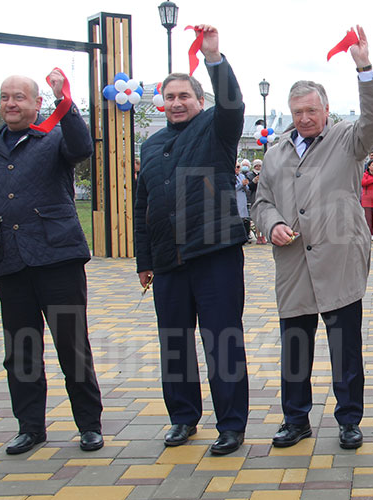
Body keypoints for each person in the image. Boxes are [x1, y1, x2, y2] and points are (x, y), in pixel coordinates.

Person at [252, 25, 373, 450]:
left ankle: (349, 419)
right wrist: (271, 223)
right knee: (295, 348)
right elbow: (261, 201)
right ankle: (296, 420)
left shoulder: (349, 138)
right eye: (298, 112)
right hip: (292, 264)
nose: (305, 118)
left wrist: (364, 67)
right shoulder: (275, 152)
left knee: (345, 349)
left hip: (339, 259)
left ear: (326, 109)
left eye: (312, 110)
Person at [0, 70, 104, 455]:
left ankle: (89, 425)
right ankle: (30, 427)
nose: (10, 103)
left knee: (72, 346)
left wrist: (65, 101)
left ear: (36, 104)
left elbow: (82, 146)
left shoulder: (54, 138)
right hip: (10, 262)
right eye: (5, 96)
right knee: (21, 350)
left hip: (58, 259)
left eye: (19, 97)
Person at [134, 25, 248, 455]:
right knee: (175, 345)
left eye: (185, 96)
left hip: (214, 251)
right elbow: (144, 206)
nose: (177, 103)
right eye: (170, 96)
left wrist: (214, 58)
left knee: (222, 341)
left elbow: (233, 104)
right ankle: (183, 418)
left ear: (200, 101)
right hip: (167, 261)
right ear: (162, 102)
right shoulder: (151, 145)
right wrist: (143, 260)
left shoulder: (216, 129)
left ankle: (232, 424)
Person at [247, 159, 267, 244]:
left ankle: (264, 235)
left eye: (259, 166)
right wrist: (254, 181)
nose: (258, 167)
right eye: (256, 166)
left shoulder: (265, 174)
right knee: (256, 218)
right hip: (254, 198)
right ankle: (258, 236)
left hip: (264, 197)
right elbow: (249, 187)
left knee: (264, 217)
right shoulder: (249, 175)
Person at [236, 161, 251, 241]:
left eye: (238, 167)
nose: (237, 169)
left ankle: (245, 236)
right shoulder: (231, 176)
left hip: (243, 199)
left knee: (244, 219)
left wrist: (245, 185)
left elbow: (247, 189)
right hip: (236, 199)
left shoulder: (242, 176)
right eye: (236, 167)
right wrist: (241, 184)